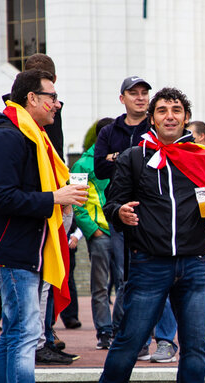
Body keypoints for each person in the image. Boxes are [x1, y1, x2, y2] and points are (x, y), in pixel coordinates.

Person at [84, 87, 205, 383]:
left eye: (176, 110)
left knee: (194, 344)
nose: (169, 116)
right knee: (129, 340)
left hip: (193, 264)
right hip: (149, 264)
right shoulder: (134, 156)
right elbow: (113, 204)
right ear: (152, 118)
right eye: (162, 110)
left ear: (186, 117)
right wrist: (121, 213)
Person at [0, 69, 87, 383]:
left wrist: (58, 196)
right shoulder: (11, 138)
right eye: (52, 96)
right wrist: (52, 199)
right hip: (14, 254)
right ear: (31, 99)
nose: (56, 104)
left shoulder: (33, 136)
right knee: (26, 335)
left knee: (14, 335)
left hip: (24, 252)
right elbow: (2, 196)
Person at [94, 75, 178, 362]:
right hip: (121, 214)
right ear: (123, 98)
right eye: (134, 93)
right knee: (126, 279)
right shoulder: (109, 131)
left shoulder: (155, 127)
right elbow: (100, 169)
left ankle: (165, 340)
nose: (140, 98)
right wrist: (125, 160)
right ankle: (137, 338)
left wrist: (117, 159)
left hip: (155, 220)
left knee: (163, 278)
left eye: (145, 93)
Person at [73, 117, 119, 350]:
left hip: (123, 232)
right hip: (101, 234)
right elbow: (76, 203)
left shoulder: (123, 158)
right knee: (100, 285)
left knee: (125, 283)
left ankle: (121, 330)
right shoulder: (82, 164)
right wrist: (93, 231)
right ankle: (104, 331)